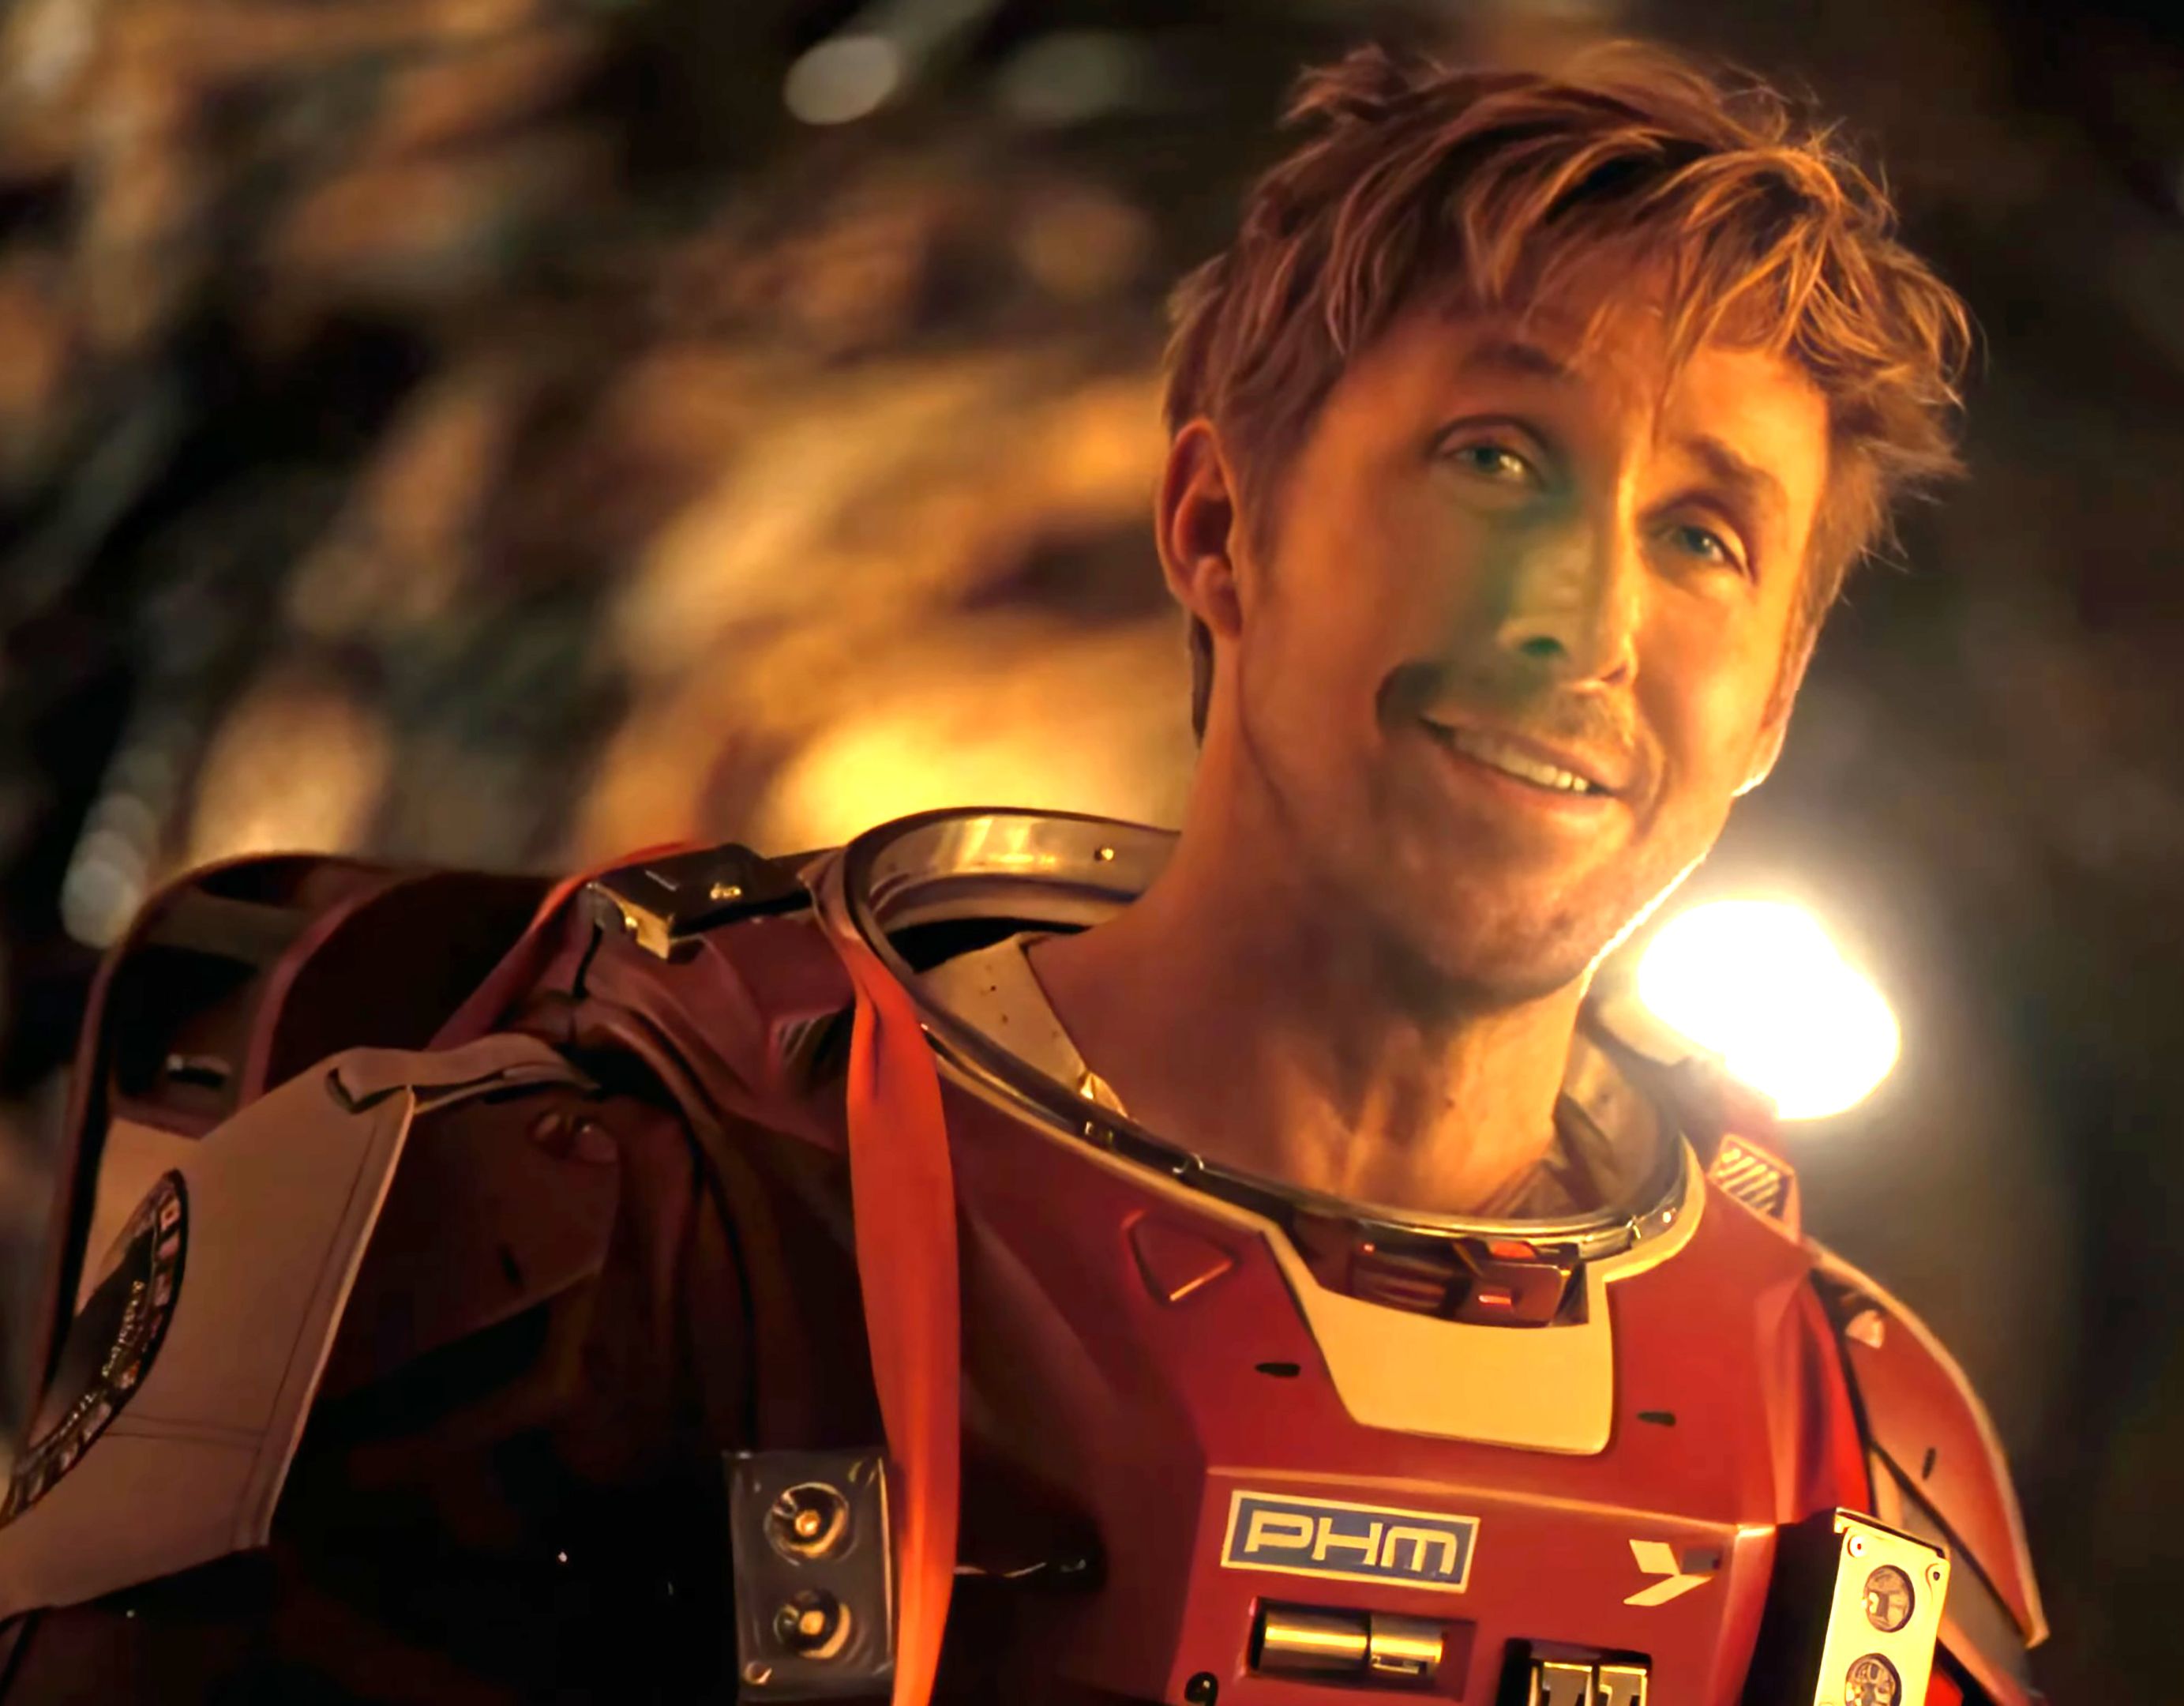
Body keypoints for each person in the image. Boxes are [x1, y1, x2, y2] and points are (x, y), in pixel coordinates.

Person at [0, 40, 2047, 1706]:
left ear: (1775, 701)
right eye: (1496, 458)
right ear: (1217, 523)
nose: (1584, 623)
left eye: (1704, 536)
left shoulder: (1854, 1464)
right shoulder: (597, 1238)